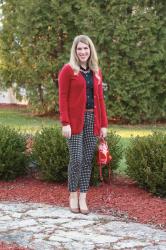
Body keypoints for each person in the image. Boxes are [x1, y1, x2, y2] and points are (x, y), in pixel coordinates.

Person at [58, 35, 108, 214]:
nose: (83, 52)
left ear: (90, 50)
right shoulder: (68, 70)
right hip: (74, 121)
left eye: (85, 48)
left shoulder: (96, 72)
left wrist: (103, 124)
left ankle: (83, 197)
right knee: (76, 159)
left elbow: (100, 100)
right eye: (79, 49)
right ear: (75, 51)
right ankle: (72, 195)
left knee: (87, 160)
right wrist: (65, 122)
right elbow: (62, 98)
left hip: (92, 120)